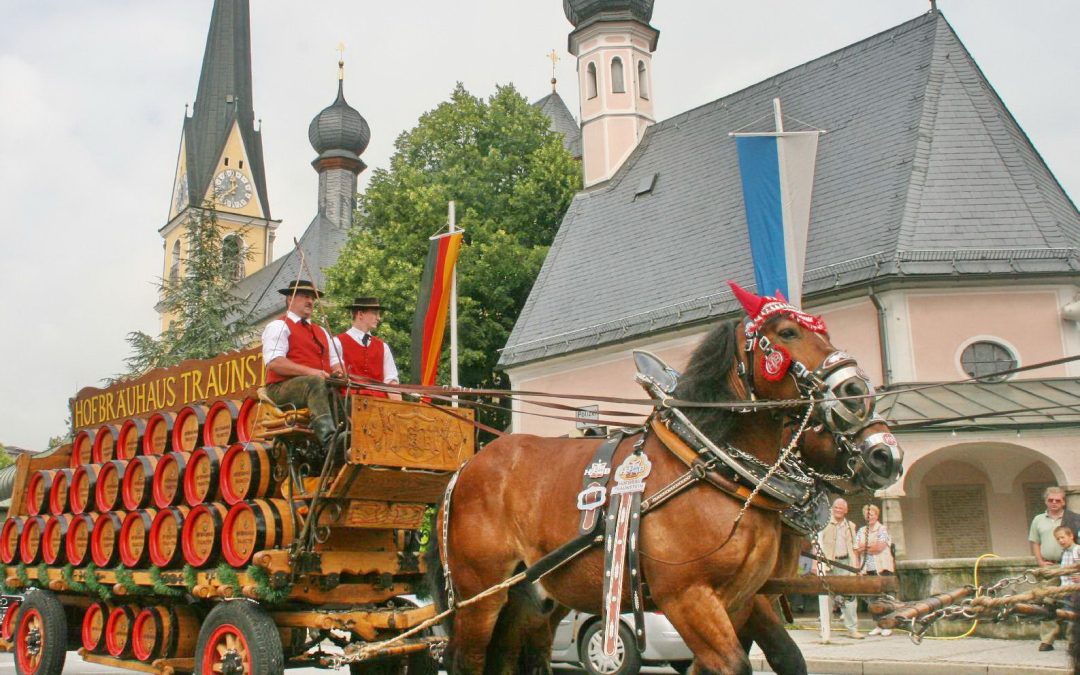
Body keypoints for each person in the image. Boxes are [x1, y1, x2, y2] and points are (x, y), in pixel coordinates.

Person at [261, 279, 343, 446]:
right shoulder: (279, 325)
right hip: (281, 388)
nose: (310, 301)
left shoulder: (322, 332)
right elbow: (275, 363)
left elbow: (336, 364)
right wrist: (312, 372)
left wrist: (339, 374)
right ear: (290, 299)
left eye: (312, 298)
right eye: (306, 296)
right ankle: (329, 440)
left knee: (350, 395)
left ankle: (351, 440)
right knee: (315, 382)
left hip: (318, 387)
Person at [1028, 487, 1080, 651]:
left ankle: (1073, 641)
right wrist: (1040, 561)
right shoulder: (1038, 520)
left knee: (1073, 604)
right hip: (1050, 566)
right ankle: (1047, 640)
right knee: (1047, 602)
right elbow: (1034, 542)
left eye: (1058, 500)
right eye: (1051, 500)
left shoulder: (1074, 518)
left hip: (1071, 567)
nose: (1054, 503)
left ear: (1064, 502)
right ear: (1046, 501)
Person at [333, 296, 401, 400]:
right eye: (374, 313)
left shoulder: (383, 347)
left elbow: (391, 381)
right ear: (360, 314)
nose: (378, 318)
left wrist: (398, 409)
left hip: (379, 405)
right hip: (349, 403)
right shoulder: (337, 342)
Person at [818, 497, 863, 639]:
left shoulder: (851, 525)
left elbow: (855, 547)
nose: (838, 510)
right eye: (836, 507)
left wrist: (856, 566)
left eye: (841, 508)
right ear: (832, 508)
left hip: (846, 564)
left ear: (846, 511)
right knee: (828, 598)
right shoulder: (823, 524)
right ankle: (825, 628)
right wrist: (819, 565)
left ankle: (852, 629)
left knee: (849, 598)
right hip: (829, 564)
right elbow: (816, 544)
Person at [855, 504, 895, 636]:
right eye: (867, 515)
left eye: (871, 514)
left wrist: (864, 547)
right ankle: (878, 624)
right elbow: (856, 548)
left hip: (882, 568)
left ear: (876, 515)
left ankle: (888, 625)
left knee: (886, 598)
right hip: (867, 569)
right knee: (872, 599)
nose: (869, 517)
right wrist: (868, 546)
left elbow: (879, 547)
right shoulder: (861, 530)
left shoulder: (882, 529)